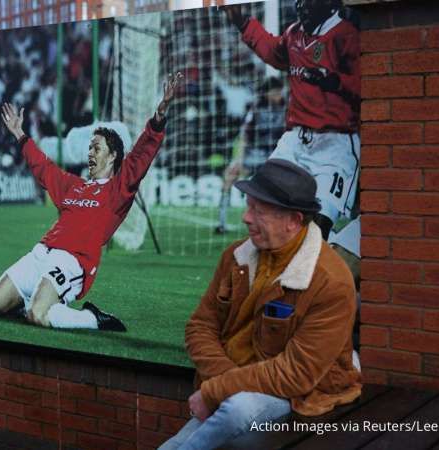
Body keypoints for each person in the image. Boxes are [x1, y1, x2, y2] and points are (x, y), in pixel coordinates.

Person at [160, 159, 361, 449]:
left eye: (259, 210)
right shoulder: (235, 256)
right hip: (237, 386)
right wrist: (225, 382)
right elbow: (200, 326)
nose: (245, 217)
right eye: (248, 205)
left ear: (293, 220)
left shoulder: (331, 280)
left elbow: (296, 374)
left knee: (236, 413)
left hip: (302, 395)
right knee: (204, 430)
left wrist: (218, 389)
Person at [0, 73, 184, 332]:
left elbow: (141, 155)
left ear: (112, 156)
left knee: (37, 314)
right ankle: (38, 300)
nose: (90, 153)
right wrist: (20, 135)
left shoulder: (118, 190)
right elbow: (44, 168)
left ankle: (92, 319)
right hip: (40, 253)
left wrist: (160, 114)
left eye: (96, 148)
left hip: (71, 261)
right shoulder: (74, 186)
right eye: (89, 148)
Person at [224, 0, 360, 240]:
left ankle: (330, 251)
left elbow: (368, 85)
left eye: (307, 2)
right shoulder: (294, 33)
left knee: (320, 223)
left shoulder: (346, 34)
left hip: (335, 143)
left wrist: (335, 81)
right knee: (263, 199)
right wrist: (242, 22)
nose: (301, 6)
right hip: (295, 139)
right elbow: (273, 51)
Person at [215, 77, 286, 234]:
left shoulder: (286, 109)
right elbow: (244, 136)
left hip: (276, 154)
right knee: (229, 177)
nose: (278, 95)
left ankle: (278, 222)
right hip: (254, 153)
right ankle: (221, 223)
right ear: (266, 93)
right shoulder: (255, 109)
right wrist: (238, 160)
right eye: (275, 92)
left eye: (280, 91)